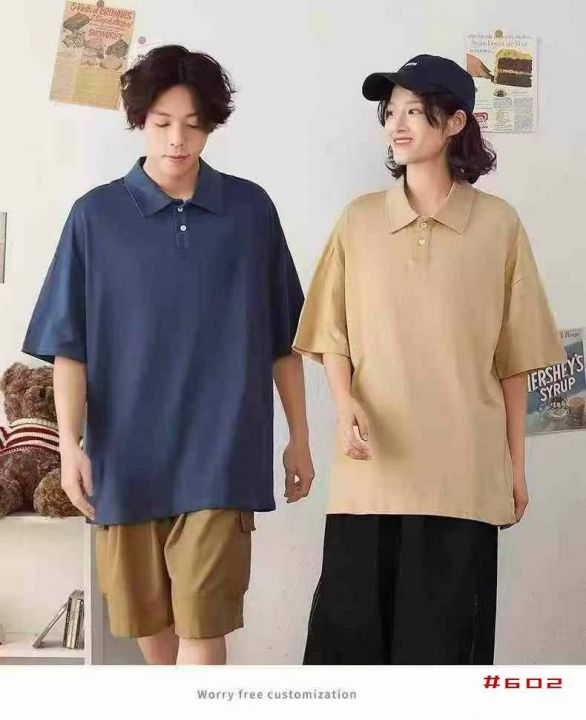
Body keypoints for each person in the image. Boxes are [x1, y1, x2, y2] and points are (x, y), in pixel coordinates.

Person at [22, 45, 314, 665]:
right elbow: (69, 348)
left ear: (211, 126)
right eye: (162, 123)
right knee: (150, 630)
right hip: (126, 455)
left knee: (204, 627)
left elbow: (282, 340)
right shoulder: (95, 216)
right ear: (139, 122)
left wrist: (300, 438)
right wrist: (69, 446)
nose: (178, 140)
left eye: (193, 124)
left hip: (223, 453)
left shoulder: (250, 211)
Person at [293, 54, 566, 664]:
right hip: (371, 477)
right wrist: (344, 401)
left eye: (415, 111)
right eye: (391, 111)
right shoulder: (358, 220)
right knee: (349, 655)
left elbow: (515, 361)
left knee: (442, 658)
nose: (397, 124)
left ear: (455, 122)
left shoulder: (498, 225)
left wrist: (516, 468)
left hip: (462, 477)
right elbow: (329, 334)